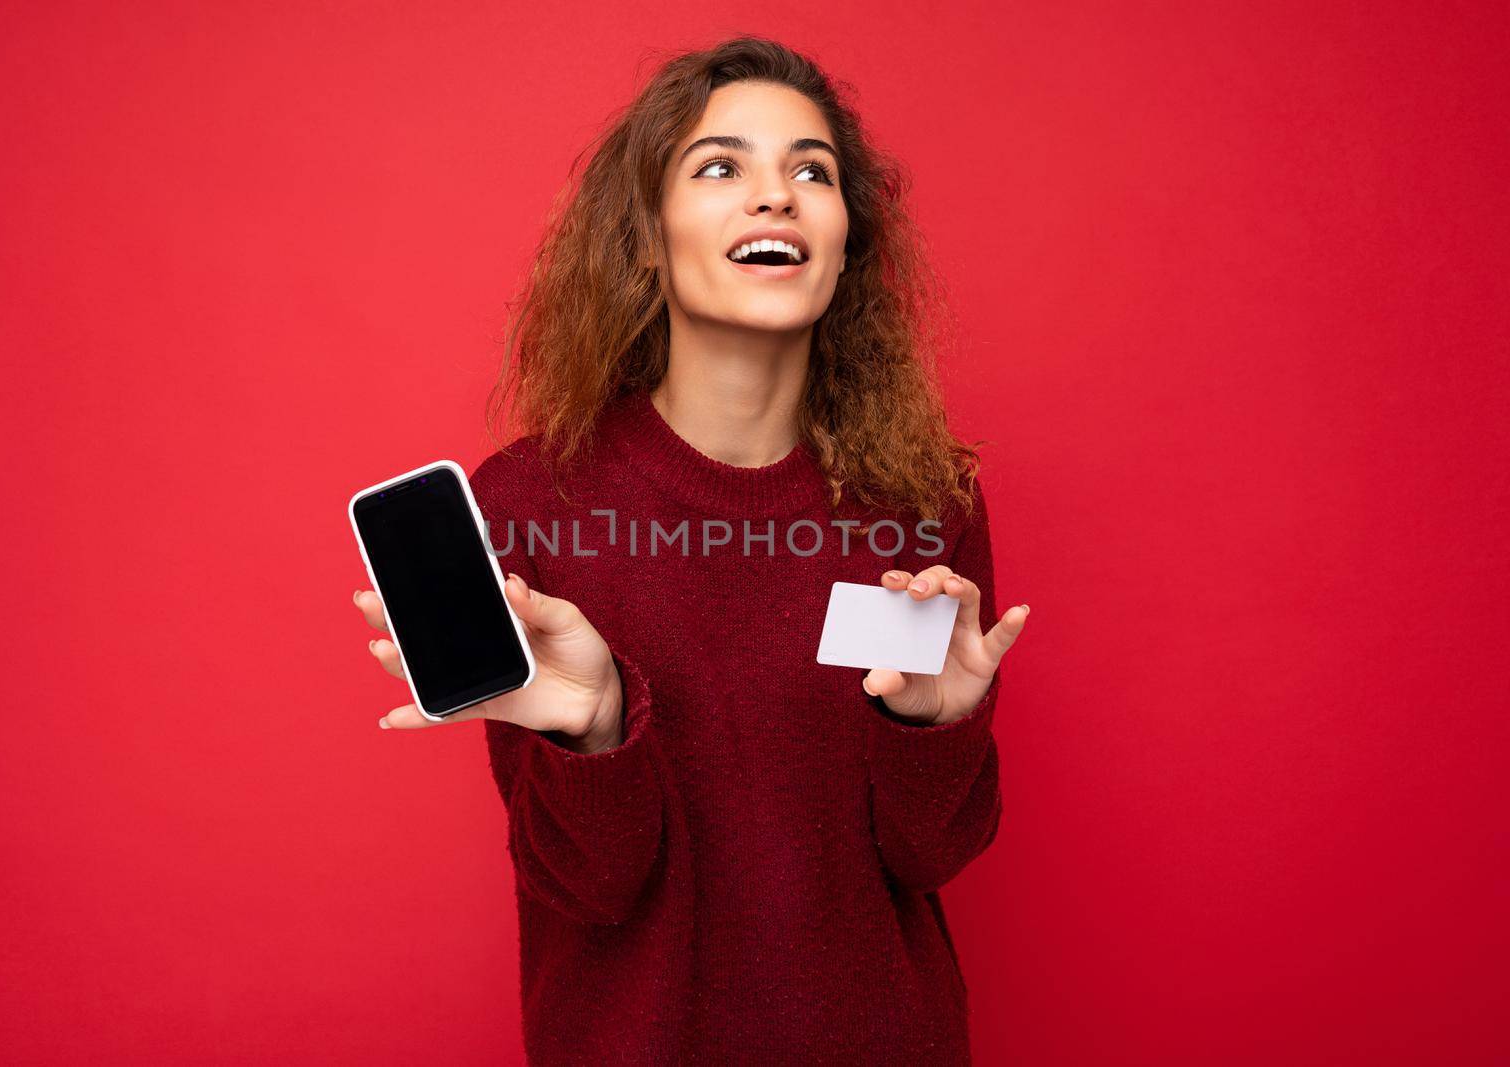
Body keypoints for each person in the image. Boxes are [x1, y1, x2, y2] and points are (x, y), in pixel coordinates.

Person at [351, 36, 1030, 1064]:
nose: (778, 196)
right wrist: (593, 728)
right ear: (647, 237)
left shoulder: (921, 507)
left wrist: (938, 723)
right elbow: (594, 888)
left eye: (813, 171)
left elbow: (929, 852)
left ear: (848, 241)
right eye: (721, 167)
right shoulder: (533, 503)